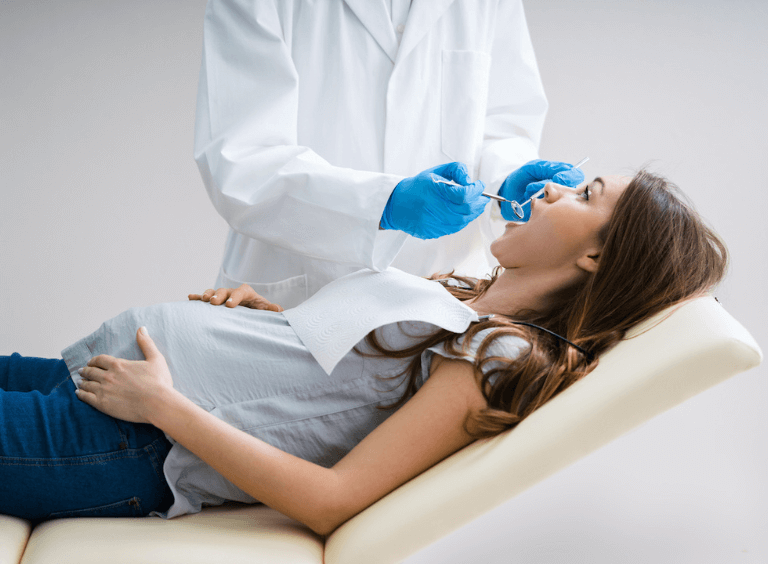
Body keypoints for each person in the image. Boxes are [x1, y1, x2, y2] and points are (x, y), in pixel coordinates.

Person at [0, 171, 727, 536]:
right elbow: (347, 387)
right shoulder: (469, 302)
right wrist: (275, 323)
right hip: (100, 387)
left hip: (122, 439)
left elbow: (332, 499)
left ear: (600, 254)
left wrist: (166, 405)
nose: (546, 190)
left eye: (583, 195)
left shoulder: (497, 356)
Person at [194, 0, 584, 309]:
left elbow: (503, 120)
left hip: (444, 296)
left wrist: (507, 179)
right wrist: (382, 205)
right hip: (298, 293)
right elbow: (241, 160)